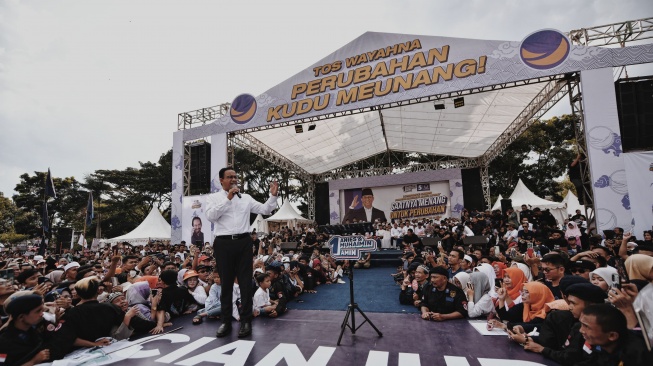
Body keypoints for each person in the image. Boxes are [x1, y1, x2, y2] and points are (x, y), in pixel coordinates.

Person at [205, 166, 279, 338]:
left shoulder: (245, 198)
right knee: (226, 284)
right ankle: (225, 321)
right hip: (223, 243)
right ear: (221, 180)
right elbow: (211, 216)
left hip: (244, 242)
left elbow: (265, 210)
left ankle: (246, 321)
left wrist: (273, 196)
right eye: (229, 177)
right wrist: (228, 200)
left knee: (245, 283)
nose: (233, 179)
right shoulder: (214, 198)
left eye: (235, 176)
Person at [576, 303, 653, 366]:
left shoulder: (637, 355)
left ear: (612, 336)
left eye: (586, 326)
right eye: (581, 324)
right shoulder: (601, 343)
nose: (581, 330)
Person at [0, 292, 50, 366]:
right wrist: (33, 361)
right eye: (38, 311)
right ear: (21, 317)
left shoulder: (35, 331)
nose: (42, 314)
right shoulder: (4, 342)